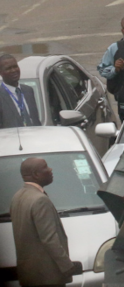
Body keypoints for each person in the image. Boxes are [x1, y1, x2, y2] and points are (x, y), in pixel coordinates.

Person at [10, 157, 83, 287]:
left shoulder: (18, 196)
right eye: (46, 167)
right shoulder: (40, 200)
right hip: (47, 276)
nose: (50, 170)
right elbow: (49, 239)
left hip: (29, 275)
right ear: (36, 175)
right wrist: (67, 266)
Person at [0, 54, 40, 128]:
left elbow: (36, 121)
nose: (13, 70)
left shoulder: (28, 91)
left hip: (33, 137)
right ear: (1, 72)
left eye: (15, 66)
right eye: (8, 68)